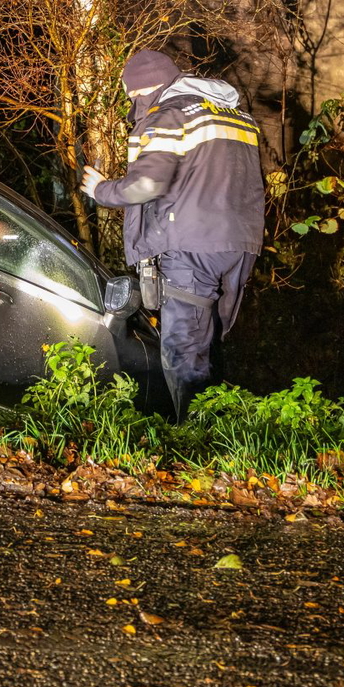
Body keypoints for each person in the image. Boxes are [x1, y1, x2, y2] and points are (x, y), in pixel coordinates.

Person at [81, 50, 265, 419]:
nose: (135, 104)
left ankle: (196, 447)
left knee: (183, 352)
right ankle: (222, 438)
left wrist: (102, 190)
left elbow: (146, 183)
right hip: (239, 245)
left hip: (189, 245)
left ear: (140, 88)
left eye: (133, 96)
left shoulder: (167, 115)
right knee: (210, 346)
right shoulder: (235, 116)